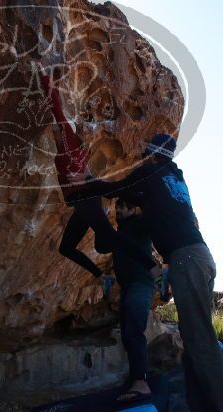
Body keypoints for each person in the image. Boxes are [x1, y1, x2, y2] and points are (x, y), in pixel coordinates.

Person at [85, 132, 223, 412]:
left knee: (201, 340)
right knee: (192, 337)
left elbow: (118, 188)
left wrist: (89, 182)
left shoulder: (150, 171)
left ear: (149, 153)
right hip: (194, 257)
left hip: (186, 259)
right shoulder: (171, 177)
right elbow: (140, 200)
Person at [39, 71, 158, 297]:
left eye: (57, 129)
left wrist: (43, 76)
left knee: (109, 238)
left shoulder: (68, 144)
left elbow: (56, 109)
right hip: (81, 203)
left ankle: (154, 269)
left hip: (87, 198)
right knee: (67, 248)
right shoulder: (68, 151)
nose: (53, 130)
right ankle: (103, 277)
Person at [113, 196, 157, 402]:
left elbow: (154, 222)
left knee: (134, 331)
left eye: (122, 207)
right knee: (127, 334)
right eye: (116, 207)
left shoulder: (138, 224)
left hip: (141, 284)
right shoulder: (120, 231)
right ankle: (135, 379)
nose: (118, 211)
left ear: (133, 210)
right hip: (128, 286)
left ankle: (141, 383)